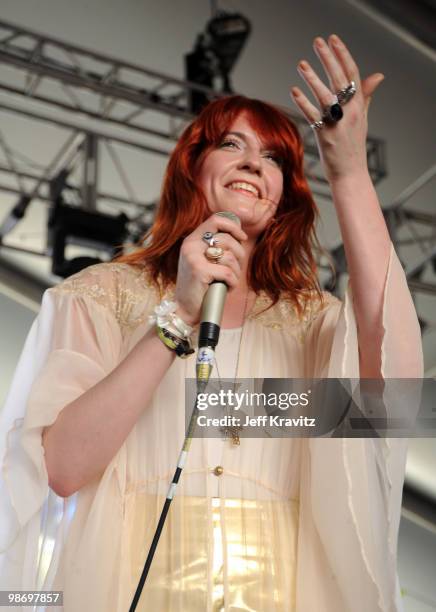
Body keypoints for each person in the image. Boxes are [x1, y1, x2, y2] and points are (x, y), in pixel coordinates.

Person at [0, 35, 423, 611]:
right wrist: (178, 316)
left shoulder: (313, 324)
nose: (254, 162)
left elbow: (394, 386)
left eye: (275, 158)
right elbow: (63, 469)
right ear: (192, 166)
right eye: (232, 144)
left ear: (286, 195)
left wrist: (348, 171)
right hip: (133, 586)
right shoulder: (100, 296)